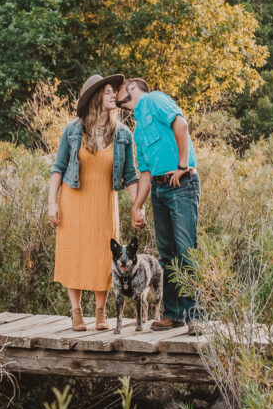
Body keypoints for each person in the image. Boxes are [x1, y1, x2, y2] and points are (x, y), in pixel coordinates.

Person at [47, 74, 144, 332]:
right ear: (95, 97)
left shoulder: (123, 134)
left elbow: (131, 176)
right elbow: (58, 168)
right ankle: (76, 312)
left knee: (105, 255)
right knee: (74, 254)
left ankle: (101, 312)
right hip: (74, 201)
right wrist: (52, 203)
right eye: (109, 92)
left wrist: (138, 206)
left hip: (104, 204)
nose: (115, 96)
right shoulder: (73, 130)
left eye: (114, 92)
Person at [115, 78, 200, 332]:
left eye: (119, 88)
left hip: (181, 185)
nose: (116, 93)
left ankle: (197, 317)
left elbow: (181, 124)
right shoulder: (138, 128)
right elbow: (146, 174)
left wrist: (183, 166)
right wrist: (137, 206)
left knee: (186, 252)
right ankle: (174, 314)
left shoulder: (154, 100)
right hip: (160, 190)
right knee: (167, 255)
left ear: (131, 87)